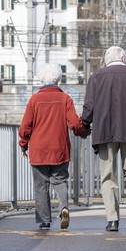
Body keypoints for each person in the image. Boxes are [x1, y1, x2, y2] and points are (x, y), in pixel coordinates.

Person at [81, 46, 126, 232]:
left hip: (105, 132)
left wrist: (84, 124)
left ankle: (112, 220)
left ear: (106, 60)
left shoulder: (96, 77)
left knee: (108, 176)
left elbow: (89, 106)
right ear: (123, 58)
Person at [18, 64, 89, 230]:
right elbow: (74, 123)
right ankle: (64, 207)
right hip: (59, 148)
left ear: (42, 79)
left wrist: (23, 145)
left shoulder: (34, 100)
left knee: (41, 185)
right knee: (60, 181)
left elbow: (25, 127)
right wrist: (84, 132)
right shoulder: (65, 99)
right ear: (58, 79)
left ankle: (44, 220)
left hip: (38, 150)